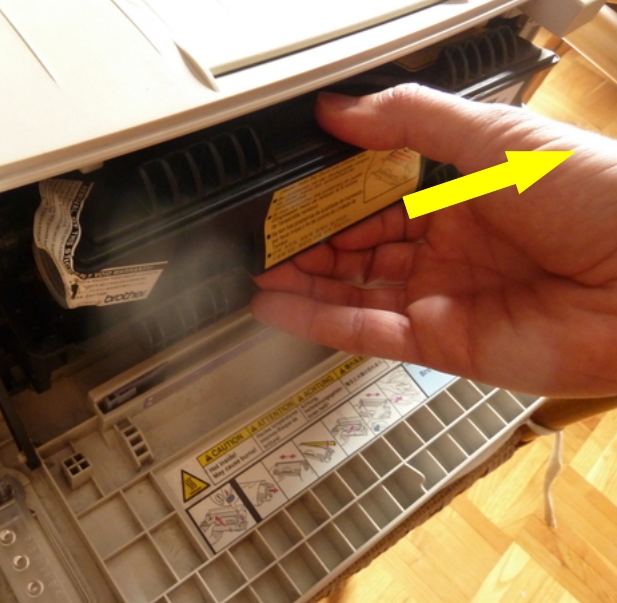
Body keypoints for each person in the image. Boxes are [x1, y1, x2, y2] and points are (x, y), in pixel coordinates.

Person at [251, 84, 617, 398]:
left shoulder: (461, 201)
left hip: (435, 203)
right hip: (439, 201)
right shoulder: (464, 202)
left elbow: (505, 176)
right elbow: (499, 178)